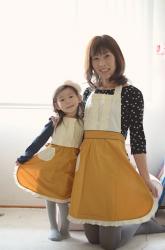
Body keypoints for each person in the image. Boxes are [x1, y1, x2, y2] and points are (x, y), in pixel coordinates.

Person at [68, 35, 165, 250]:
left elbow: (138, 137)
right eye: (96, 58)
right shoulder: (87, 92)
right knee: (92, 238)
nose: (102, 64)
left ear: (117, 57)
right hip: (90, 168)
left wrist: (144, 178)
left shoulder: (132, 94)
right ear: (90, 62)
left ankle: (141, 224)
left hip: (114, 168)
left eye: (106, 56)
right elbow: (78, 131)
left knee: (110, 244)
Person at [15, 81, 84, 241]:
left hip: (70, 163)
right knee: (50, 196)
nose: (67, 101)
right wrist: (25, 156)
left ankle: (64, 228)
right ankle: (53, 227)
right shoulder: (55, 121)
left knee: (62, 198)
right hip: (51, 162)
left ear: (79, 98)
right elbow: (39, 140)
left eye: (70, 96)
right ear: (57, 105)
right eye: (62, 99)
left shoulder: (84, 122)